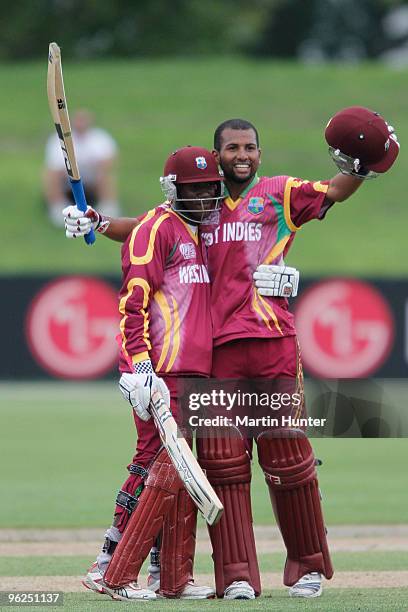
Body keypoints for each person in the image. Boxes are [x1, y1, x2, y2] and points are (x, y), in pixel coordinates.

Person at [64, 106, 399, 600]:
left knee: (288, 457)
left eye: (249, 148)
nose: (241, 156)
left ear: (259, 152)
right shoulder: (203, 203)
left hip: (273, 341)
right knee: (222, 463)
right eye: (232, 148)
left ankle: (307, 566)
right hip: (216, 351)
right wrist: (98, 220)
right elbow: (147, 227)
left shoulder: (280, 192)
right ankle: (237, 574)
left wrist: (361, 166)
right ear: (217, 154)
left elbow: (335, 192)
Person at [82, 145, 224, 601]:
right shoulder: (158, 228)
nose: (204, 198)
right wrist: (138, 366)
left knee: (178, 474)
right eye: (194, 190)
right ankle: (108, 564)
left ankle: (169, 576)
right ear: (173, 190)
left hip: (194, 372)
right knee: (151, 466)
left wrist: (101, 222)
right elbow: (132, 302)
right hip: (160, 370)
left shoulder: (199, 232)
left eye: (210, 190)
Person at [43, 108, 121, 227]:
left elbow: (110, 161)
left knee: (105, 174)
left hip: (92, 179)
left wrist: (96, 168)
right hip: (68, 181)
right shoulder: (59, 139)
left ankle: (107, 208)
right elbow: (54, 166)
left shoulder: (100, 138)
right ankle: (58, 209)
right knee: (50, 176)